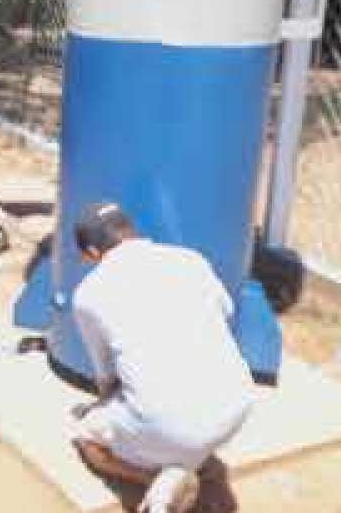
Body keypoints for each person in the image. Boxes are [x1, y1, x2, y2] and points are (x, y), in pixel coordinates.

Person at [69, 202, 257, 513]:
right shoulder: (190, 259)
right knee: (170, 417)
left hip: (174, 429)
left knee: (84, 438)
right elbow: (226, 313)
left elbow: (105, 378)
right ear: (130, 232)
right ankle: (183, 456)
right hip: (235, 406)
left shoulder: (89, 293)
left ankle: (154, 478)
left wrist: (108, 406)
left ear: (91, 252)